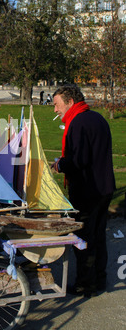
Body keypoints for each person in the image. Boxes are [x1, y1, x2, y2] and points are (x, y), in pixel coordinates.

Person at [52, 84, 116, 297]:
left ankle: (85, 284)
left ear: (70, 102)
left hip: (87, 190)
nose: (55, 110)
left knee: (84, 237)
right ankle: (99, 279)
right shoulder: (97, 118)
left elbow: (79, 159)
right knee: (98, 235)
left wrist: (60, 165)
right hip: (104, 187)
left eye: (57, 104)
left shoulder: (78, 122)